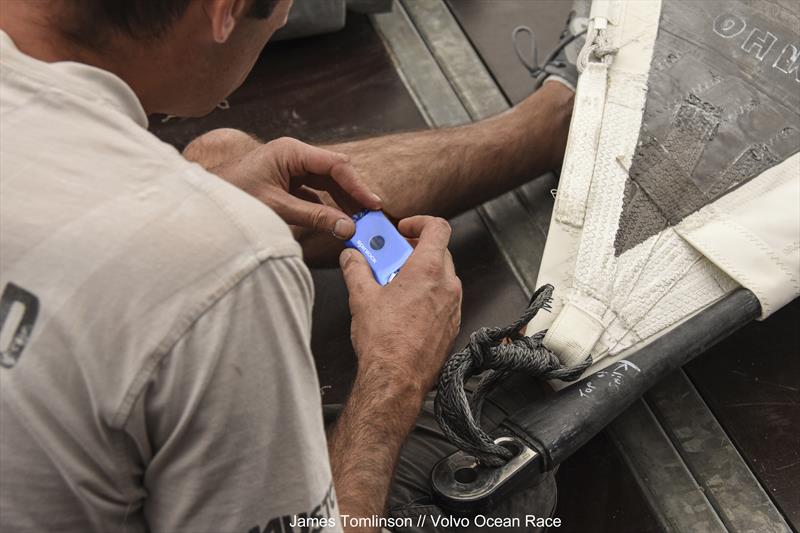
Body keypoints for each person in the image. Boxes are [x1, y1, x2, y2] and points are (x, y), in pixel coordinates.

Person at [0, 0, 578, 531]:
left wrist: (202, 197)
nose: (284, 18)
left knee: (217, 155)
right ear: (225, 11)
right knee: (503, 488)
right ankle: (555, 122)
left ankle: (545, 125)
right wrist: (395, 373)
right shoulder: (231, 270)